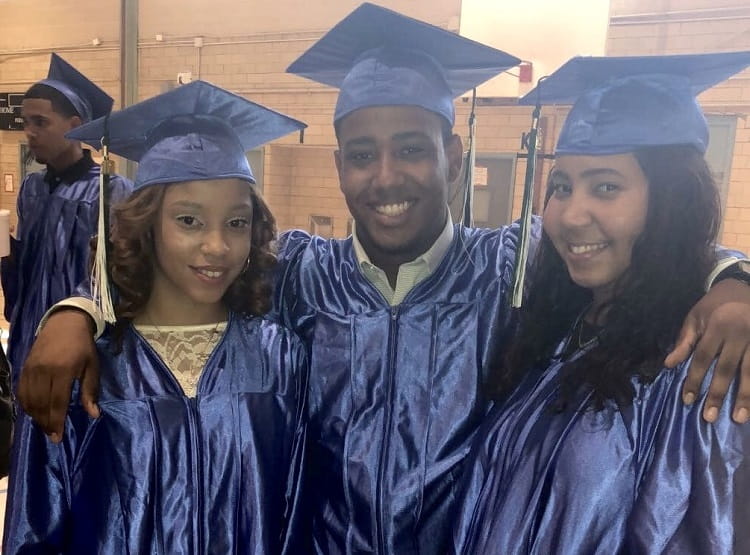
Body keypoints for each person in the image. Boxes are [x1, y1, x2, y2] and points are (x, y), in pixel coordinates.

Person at [15, 4, 750, 554]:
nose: (386, 175)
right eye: (361, 153)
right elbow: (187, 273)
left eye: (411, 148)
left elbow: (640, 248)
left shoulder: (514, 270)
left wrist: (732, 279)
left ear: (454, 157)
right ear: (338, 167)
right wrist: (76, 310)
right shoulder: (307, 272)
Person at [452, 52, 750, 554]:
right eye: (561, 187)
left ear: (670, 205)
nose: (571, 214)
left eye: (606, 187)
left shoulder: (699, 365)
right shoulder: (558, 330)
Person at [3, 81, 309, 554]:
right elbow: (35, 532)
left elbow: (295, 521)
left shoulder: (281, 357)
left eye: (237, 222)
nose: (217, 246)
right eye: (188, 220)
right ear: (147, 225)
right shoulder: (85, 371)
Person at [0, 54, 133, 384]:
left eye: (40, 122)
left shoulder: (110, 191)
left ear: (75, 127)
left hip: (82, 339)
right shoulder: (32, 188)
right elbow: (29, 270)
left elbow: (120, 279)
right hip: (28, 332)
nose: (29, 132)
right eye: (25, 122)